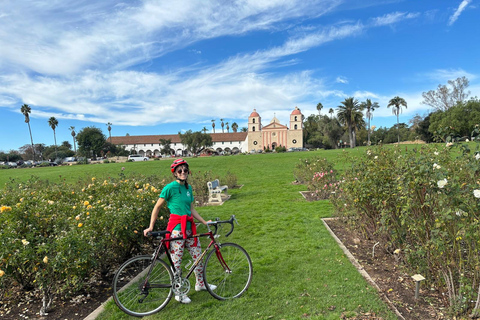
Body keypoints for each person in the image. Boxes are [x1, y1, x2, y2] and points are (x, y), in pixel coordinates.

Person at [143, 158, 215, 304]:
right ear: (175, 173)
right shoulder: (169, 188)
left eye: (185, 170)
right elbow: (157, 207)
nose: (183, 173)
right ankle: (178, 292)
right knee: (177, 262)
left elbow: (192, 209)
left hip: (189, 229)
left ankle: (200, 284)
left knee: (198, 257)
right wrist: (151, 226)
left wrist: (203, 222)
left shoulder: (188, 188)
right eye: (180, 171)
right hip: (176, 230)